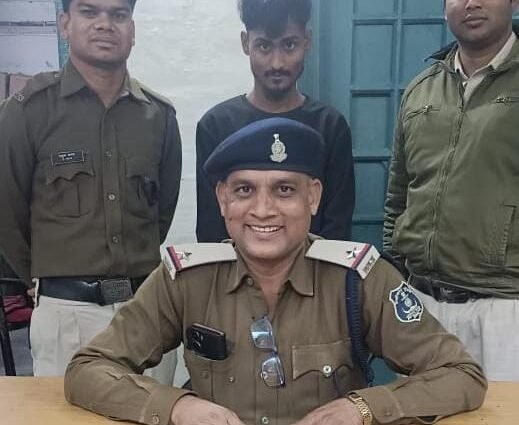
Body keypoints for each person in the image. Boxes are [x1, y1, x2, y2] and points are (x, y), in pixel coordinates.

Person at [65, 118, 486, 425]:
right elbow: (89, 369)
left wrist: (362, 408)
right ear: (223, 199)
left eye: (284, 190)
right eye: (244, 190)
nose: (263, 210)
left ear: (313, 198)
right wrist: (176, 405)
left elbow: (460, 375)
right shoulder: (186, 279)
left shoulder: (358, 278)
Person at [0, 0, 182, 378]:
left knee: (154, 409)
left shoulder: (158, 116)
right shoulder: (28, 111)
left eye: (118, 15)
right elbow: (7, 211)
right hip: (67, 316)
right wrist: (41, 278)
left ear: (132, 30)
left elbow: (160, 213)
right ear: (65, 24)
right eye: (89, 12)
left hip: (146, 311)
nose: (105, 24)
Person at [384, 0, 519, 381]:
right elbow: (398, 195)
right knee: (419, 410)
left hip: (504, 309)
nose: (471, 3)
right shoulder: (420, 90)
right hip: (422, 304)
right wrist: (395, 278)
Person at [196, 0, 355, 243]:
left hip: (313, 268)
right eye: (264, 46)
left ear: (307, 40)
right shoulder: (216, 126)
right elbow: (211, 230)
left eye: (289, 45)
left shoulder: (331, 127)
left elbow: (337, 230)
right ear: (245, 43)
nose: (277, 63)